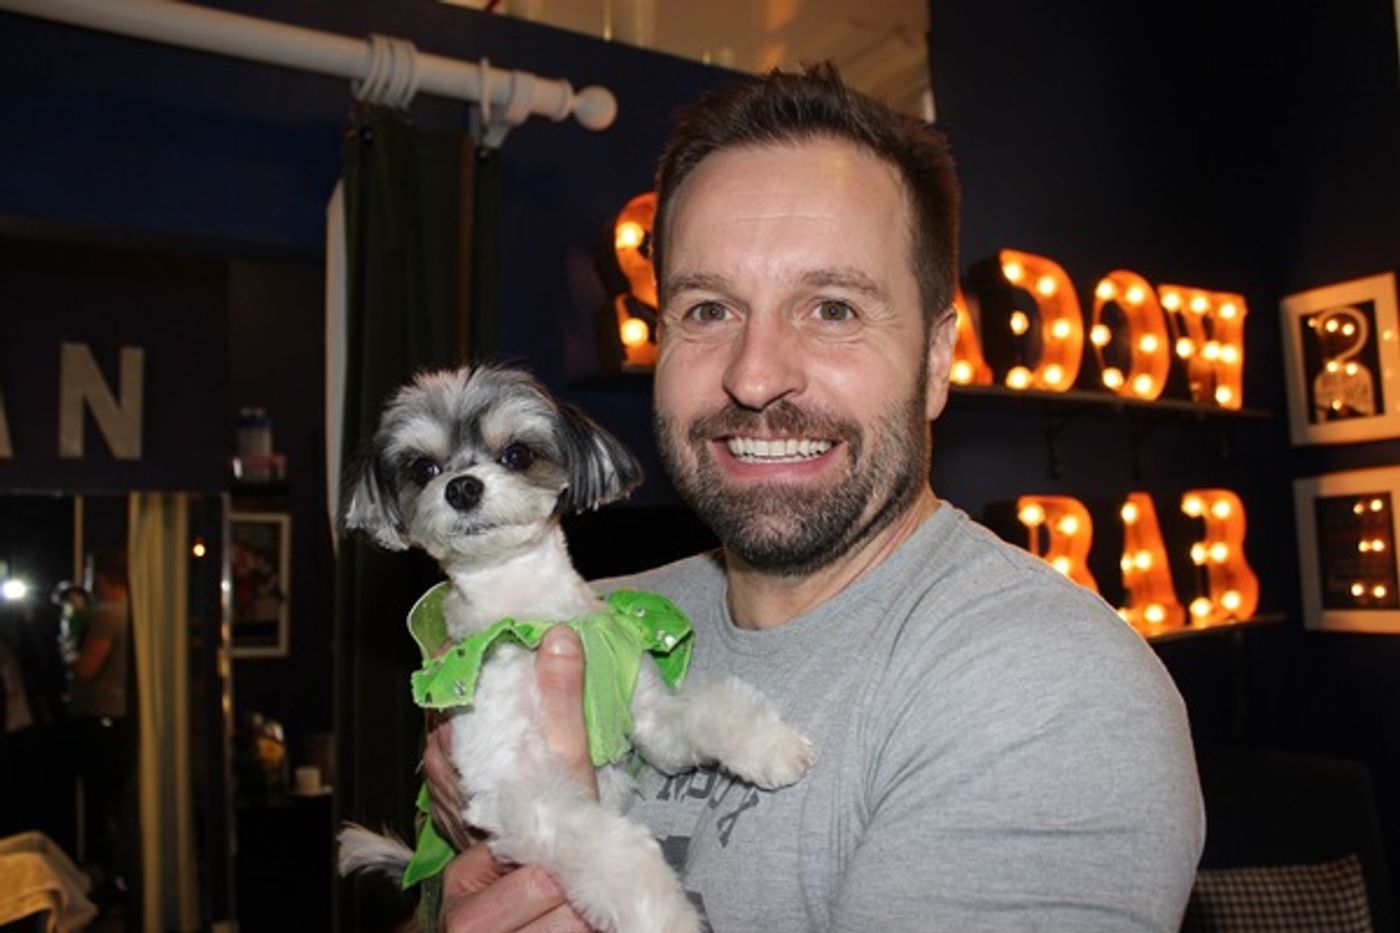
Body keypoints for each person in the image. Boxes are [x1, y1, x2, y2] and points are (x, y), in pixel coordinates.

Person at [424, 64, 1205, 931]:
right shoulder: (597, 627)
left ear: (938, 361)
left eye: (832, 309)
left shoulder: (1049, 694)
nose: (755, 375)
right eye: (709, 309)